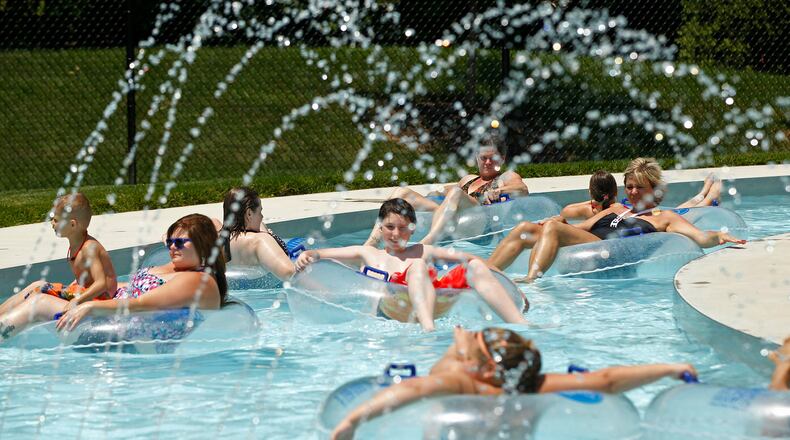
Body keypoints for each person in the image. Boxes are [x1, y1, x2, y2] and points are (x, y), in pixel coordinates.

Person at [330, 326, 697, 439]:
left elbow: (408, 390)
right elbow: (605, 380)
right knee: (449, 360)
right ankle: (458, 340)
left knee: (446, 365)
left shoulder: (462, 382)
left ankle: (457, 340)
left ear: (486, 369)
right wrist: (668, 367)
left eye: (474, 348)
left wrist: (350, 421)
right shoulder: (530, 385)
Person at [295, 199, 528, 331]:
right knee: (417, 267)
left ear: (413, 228)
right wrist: (311, 254)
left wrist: (512, 287)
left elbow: (474, 261)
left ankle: (523, 325)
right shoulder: (367, 254)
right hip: (390, 310)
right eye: (389, 227)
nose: (396, 234)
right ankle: (429, 331)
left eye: (403, 228)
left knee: (473, 267)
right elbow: (324, 254)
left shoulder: (422, 251)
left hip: (429, 304)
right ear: (379, 228)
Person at [522, 157, 745, 281]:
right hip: (593, 251)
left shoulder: (665, 217)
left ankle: (531, 281)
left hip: (613, 255)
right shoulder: (617, 208)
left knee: (551, 228)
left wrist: (719, 236)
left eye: (640, 187)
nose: (633, 192)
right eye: (629, 187)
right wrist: (558, 222)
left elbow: (699, 237)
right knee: (532, 228)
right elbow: (579, 228)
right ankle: (494, 270)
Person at [54, 213, 227, 332]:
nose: (173, 247)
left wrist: (90, 306)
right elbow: (133, 288)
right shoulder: (178, 269)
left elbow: (140, 302)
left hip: (123, 325)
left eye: (180, 243)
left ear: (203, 245)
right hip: (114, 308)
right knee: (39, 287)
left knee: (37, 302)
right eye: (170, 242)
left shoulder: (197, 280)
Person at [364, 135, 529, 246]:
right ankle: (371, 244)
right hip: (455, 221)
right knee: (402, 193)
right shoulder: (468, 179)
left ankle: (425, 245)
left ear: (502, 159)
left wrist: (501, 191)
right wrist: (434, 194)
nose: (486, 163)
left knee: (456, 193)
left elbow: (522, 189)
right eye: (482, 158)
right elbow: (445, 194)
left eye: (492, 159)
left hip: (482, 228)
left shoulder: (505, 177)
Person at [0, 193, 118, 341]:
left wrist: (77, 301)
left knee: (39, 295)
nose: (52, 223)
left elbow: (101, 283)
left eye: (56, 220)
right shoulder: (77, 244)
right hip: (87, 294)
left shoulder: (89, 248)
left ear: (72, 224)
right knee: (38, 285)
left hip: (100, 300)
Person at [488, 170, 619, 270]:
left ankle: (492, 270)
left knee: (540, 228)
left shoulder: (575, 210)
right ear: (616, 192)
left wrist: (562, 223)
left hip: (587, 244)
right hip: (598, 246)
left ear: (590, 192)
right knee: (532, 229)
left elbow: (571, 223)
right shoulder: (619, 210)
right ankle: (490, 270)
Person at [215, 187, 295, 281]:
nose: (262, 216)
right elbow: (290, 273)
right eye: (260, 211)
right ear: (249, 213)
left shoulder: (215, 238)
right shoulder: (260, 240)